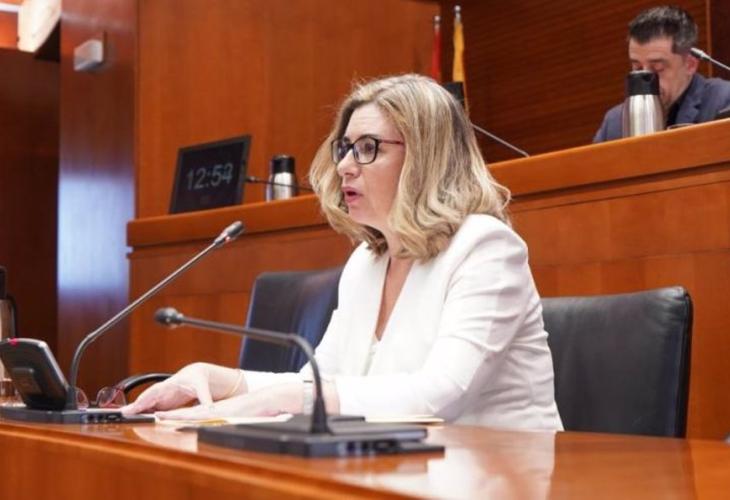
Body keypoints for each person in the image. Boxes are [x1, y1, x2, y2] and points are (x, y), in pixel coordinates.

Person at [122, 74, 563, 431]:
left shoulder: (485, 248)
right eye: (345, 148)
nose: (345, 165)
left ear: (426, 157)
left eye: (368, 148)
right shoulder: (367, 263)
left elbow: (439, 395)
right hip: (410, 473)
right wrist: (220, 380)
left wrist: (288, 398)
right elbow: (319, 382)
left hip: (508, 476)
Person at [593, 5, 730, 143]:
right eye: (637, 68)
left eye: (657, 69)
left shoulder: (724, 101)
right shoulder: (614, 123)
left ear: (690, 64)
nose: (646, 79)